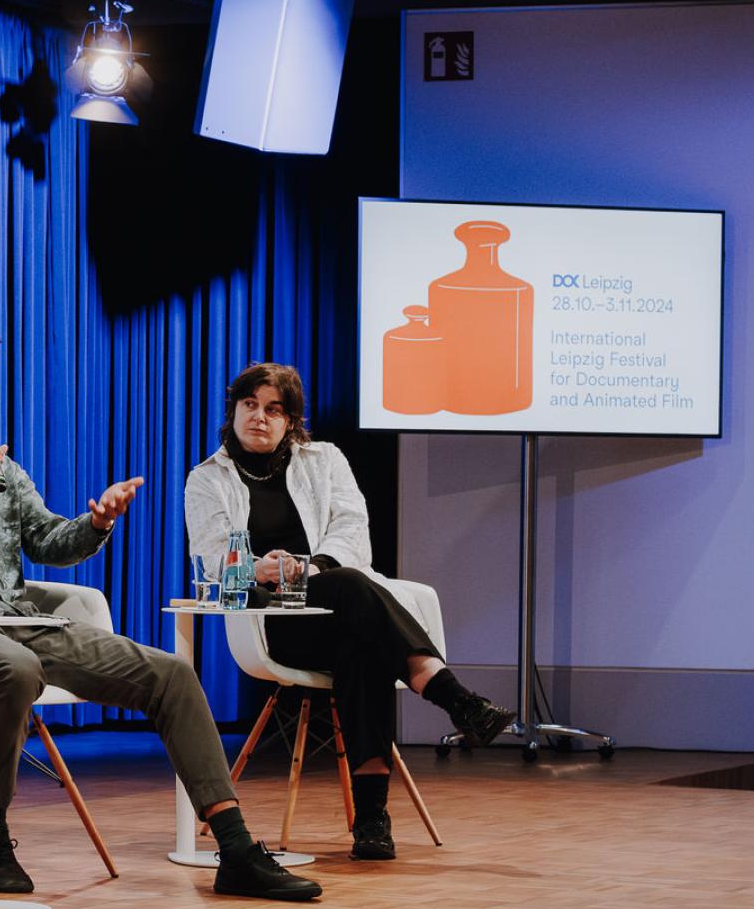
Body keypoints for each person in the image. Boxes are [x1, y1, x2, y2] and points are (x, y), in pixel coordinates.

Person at [0, 309, 322, 903]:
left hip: (19, 619)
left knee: (168, 675)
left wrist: (95, 522)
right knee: (14, 670)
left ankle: (236, 848)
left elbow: (46, 541)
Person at [183, 362, 511, 859]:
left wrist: (312, 568)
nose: (259, 418)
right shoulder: (207, 478)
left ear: (291, 420)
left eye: (274, 409)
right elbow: (210, 557)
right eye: (249, 405)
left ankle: (372, 822)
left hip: (330, 599)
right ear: (233, 411)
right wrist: (259, 568)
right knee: (358, 602)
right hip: (274, 622)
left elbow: (352, 528)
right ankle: (452, 697)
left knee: (361, 638)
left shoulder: (325, 460)